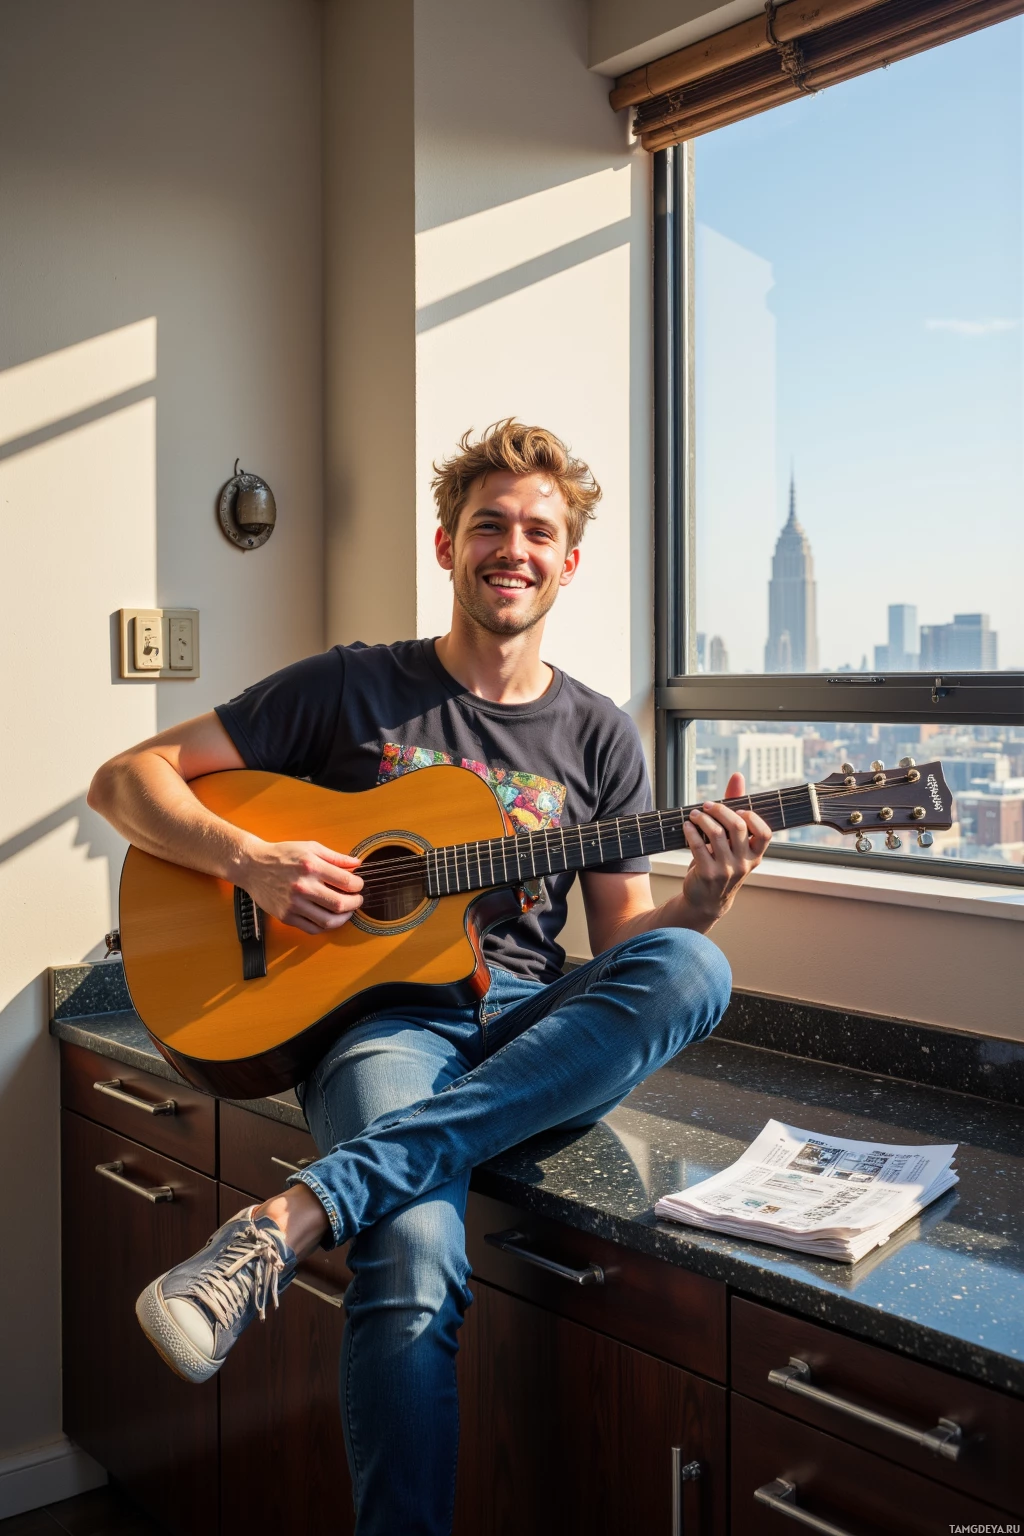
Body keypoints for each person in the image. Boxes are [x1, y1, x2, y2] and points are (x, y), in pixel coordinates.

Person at [88, 419, 771, 1536]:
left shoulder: (599, 735)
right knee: (411, 1248)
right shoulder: (353, 689)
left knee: (695, 961)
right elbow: (126, 781)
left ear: (569, 560)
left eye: (538, 531)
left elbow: (627, 943)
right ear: (446, 545)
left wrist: (709, 889)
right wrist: (252, 860)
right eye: (489, 525)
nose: (514, 547)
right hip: (383, 1028)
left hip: (527, 1028)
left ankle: (304, 1208)